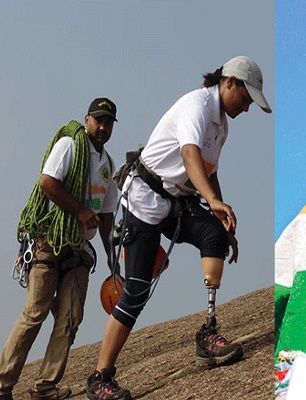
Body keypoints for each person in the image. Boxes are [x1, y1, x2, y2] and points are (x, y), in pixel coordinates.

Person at [85, 55, 272, 400]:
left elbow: (209, 171)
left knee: (215, 235)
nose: (246, 108)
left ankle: (208, 334)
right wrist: (213, 202)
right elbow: (189, 154)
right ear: (229, 81)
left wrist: (220, 215)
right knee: (136, 292)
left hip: (174, 202)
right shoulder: (197, 107)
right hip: (142, 201)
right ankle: (100, 377)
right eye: (245, 98)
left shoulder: (222, 126)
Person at [0, 98, 119, 400]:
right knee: (35, 313)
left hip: (80, 248)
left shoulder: (107, 165)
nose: (103, 127)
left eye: (109, 122)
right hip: (50, 241)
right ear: (87, 119)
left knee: (70, 318)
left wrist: (110, 254)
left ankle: (45, 386)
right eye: (99, 120)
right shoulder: (70, 145)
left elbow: (105, 216)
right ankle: (2, 384)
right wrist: (79, 211)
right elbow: (47, 182)